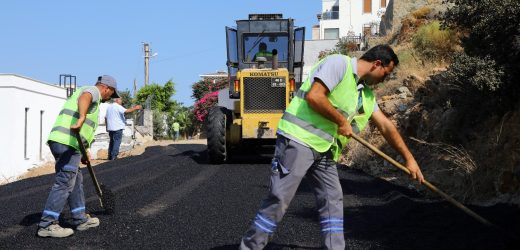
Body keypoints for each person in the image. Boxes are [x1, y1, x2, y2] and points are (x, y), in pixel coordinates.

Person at [239, 45, 425, 250]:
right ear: (377, 64)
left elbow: (386, 126)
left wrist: (409, 159)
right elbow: (315, 96)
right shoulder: (339, 64)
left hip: (324, 150)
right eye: (385, 74)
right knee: (280, 198)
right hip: (298, 140)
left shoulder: (365, 95)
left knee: (332, 199)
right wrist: (341, 121)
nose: (384, 79)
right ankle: (251, 246)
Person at [37, 75, 119, 238]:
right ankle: (47, 224)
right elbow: (85, 97)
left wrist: (84, 152)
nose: (109, 98)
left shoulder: (89, 96)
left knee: (75, 179)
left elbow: (84, 128)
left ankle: (79, 219)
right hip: (67, 142)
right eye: (110, 94)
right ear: (106, 88)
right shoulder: (92, 92)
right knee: (65, 181)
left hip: (66, 142)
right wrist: (82, 117)